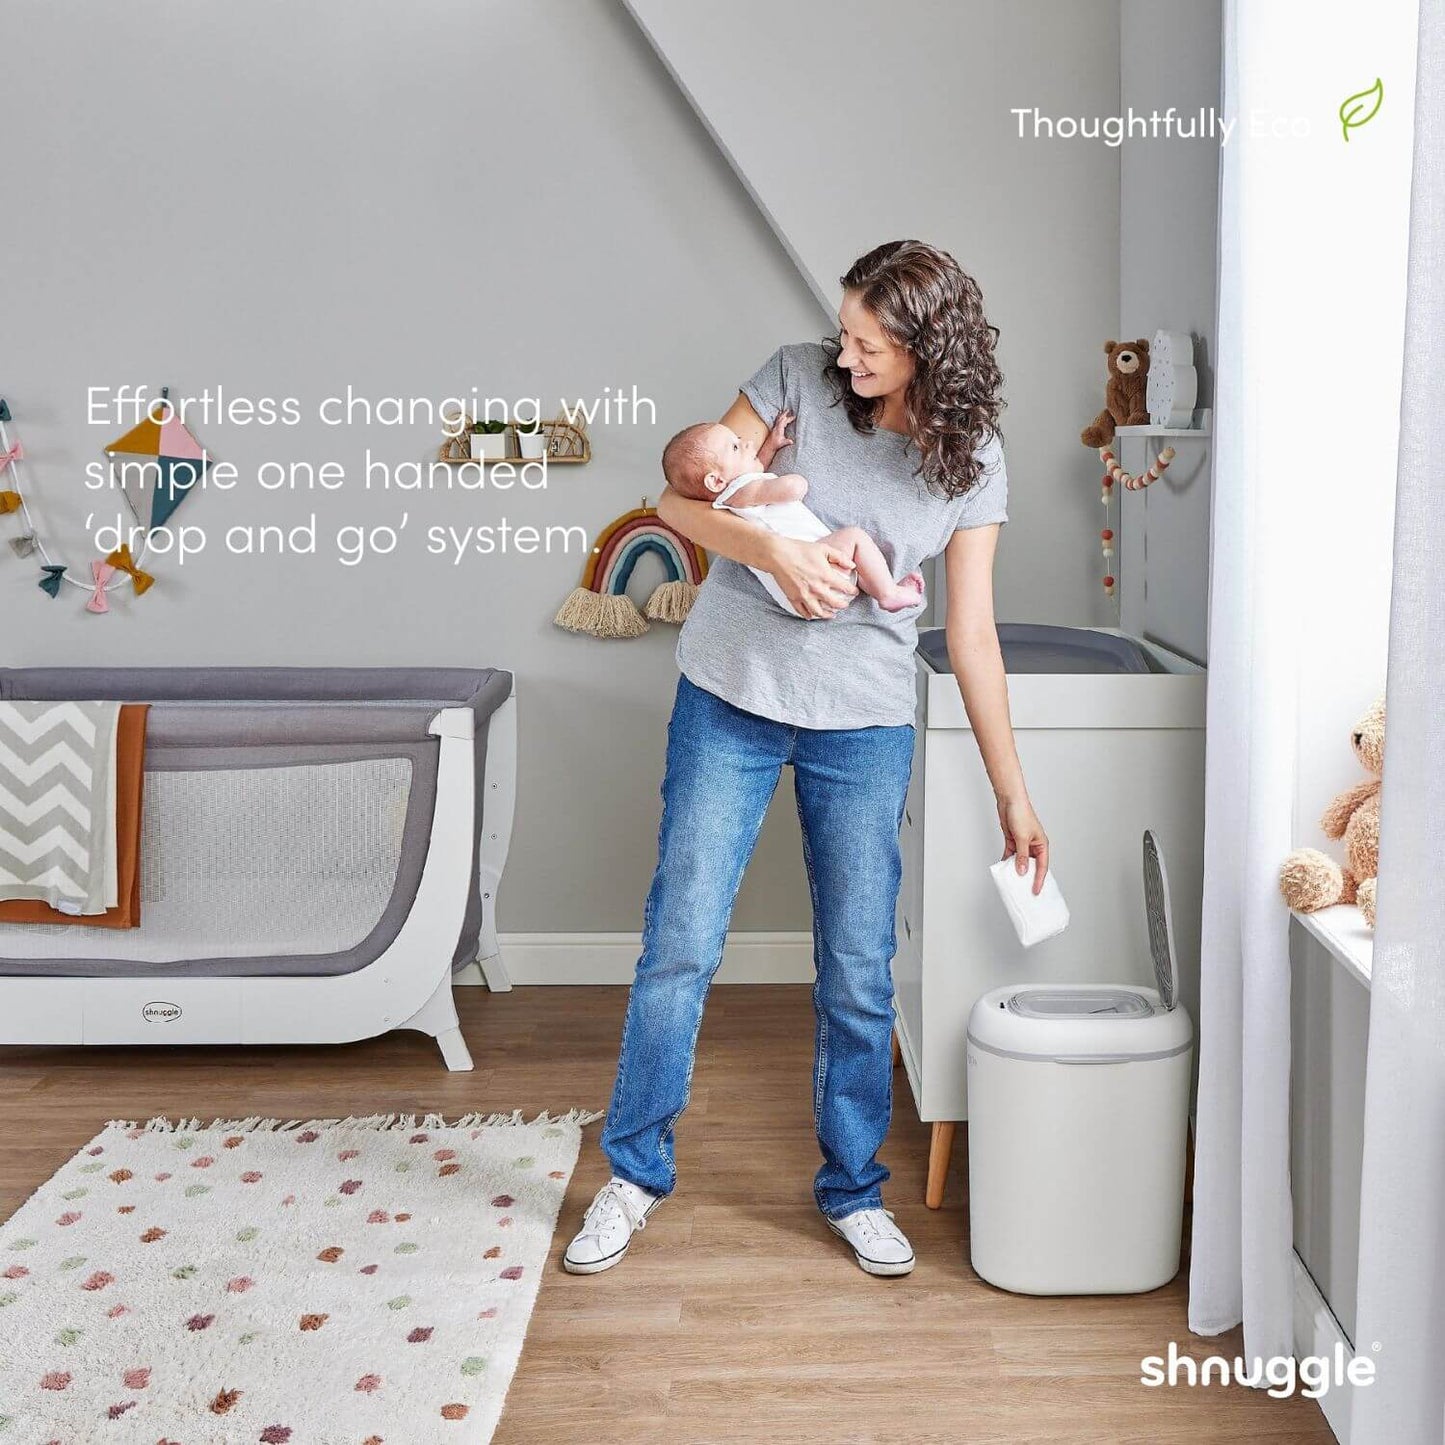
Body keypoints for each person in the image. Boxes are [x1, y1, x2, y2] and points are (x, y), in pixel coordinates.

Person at [564, 240, 1049, 1279]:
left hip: (863, 723)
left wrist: (1016, 796)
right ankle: (635, 1171)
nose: (848, 352)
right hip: (728, 696)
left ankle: (850, 1187)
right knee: (678, 945)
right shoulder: (791, 375)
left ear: (929, 347)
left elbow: (970, 634)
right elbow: (677, 501)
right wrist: (775, 550)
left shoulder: (972, 459)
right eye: (845, 331)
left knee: (859, 969)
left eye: (871, 341)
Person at [659, 414, 926, 616]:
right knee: (854, 538)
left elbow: (756, 473)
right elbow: (790, 488)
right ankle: (888, 592)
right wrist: (795, 481)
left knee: (853, 556)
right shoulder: (743, 492)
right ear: (716, 482)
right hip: (813, 570)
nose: (747, 441)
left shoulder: (734, 498)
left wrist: (771, 445)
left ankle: (882, 585)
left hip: (798, 594)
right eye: (736, 447)